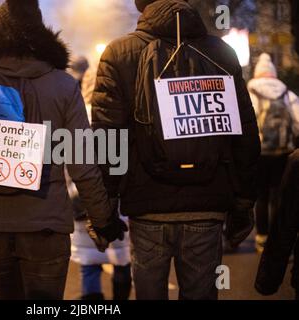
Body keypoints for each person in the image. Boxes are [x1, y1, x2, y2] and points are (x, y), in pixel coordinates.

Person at [0, 0, 126, 300]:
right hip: (45, 225)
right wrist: (102, 219)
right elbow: (82, 164)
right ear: (40, 31)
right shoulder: (64, 85)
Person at [92, 0, 260, 300]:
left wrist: (104, 208)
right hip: (207, 202)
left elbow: (108, 136)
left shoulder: (119, 53)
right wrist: (244, 202)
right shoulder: (220, 52)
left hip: (146, 204)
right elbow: (244, 133)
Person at [68, 60, 132, 301]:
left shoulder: (74, 117)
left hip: (81, 199)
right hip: (117, 200)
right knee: (122, 257)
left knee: (88, 261)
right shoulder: (120, 116)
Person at [247, 53, 299, 253]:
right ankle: (277, 239)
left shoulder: (250, 90)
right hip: (282, 152)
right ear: (274, 73)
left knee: (261, 196)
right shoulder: (286, 92)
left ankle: (261, 237)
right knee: (278, 194)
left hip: (259, 153)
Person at [255, 149, 299, 300]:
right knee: (273, 197)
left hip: (263, 153)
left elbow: (285, 225)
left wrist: (268, 278)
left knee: (264, 197)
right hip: (280, 152)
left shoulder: (297, 160)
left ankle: (261, 235)